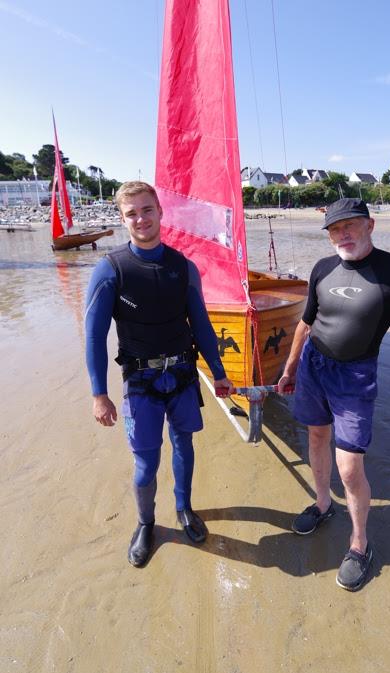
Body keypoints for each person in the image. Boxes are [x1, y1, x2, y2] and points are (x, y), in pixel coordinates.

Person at [278, 197, 390, 591]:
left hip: (354, 378)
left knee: (350, 467)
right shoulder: (322, 268)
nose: (342, 235)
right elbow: (306, 325)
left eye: (350, 226)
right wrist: (290, 368)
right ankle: (323, 505)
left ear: (370, 225)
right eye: (334, 229)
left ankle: (359, 544)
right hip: (313, 367)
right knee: (316, 436)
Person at [85, 181, 233, 568]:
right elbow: (95, 337)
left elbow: (200, 324)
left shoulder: (183, 267)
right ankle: (146, 523)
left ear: (160, 212)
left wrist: (217, 372)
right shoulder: (110, 269)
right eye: (131, 213)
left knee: (185, 445)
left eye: (146, 210)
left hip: (182, 375)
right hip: (140, 383)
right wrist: (99, 394)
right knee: (146, 463)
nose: (140, 219)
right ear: (122, 219)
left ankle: (184, 509)